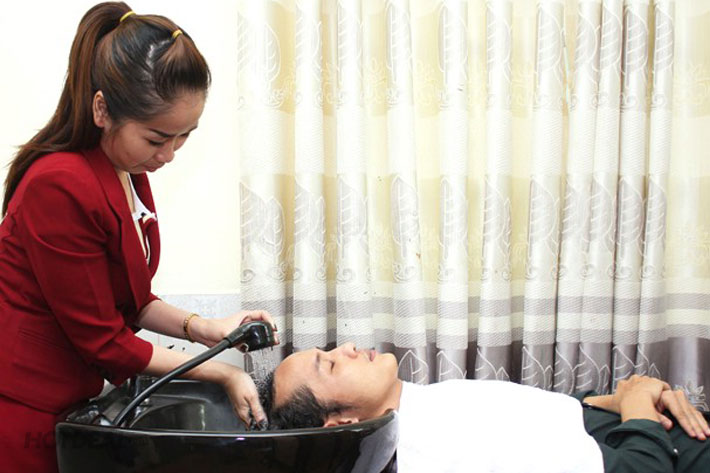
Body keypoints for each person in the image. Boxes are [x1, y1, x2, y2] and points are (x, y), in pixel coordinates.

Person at [0, 3, 276, 472]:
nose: (169, 154)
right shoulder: (59, 185)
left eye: (184, 136)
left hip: (68, 403)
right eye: (156, 138)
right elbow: (104, 341)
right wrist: (219, 373)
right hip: (23, 408)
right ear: (102, 109)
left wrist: (211, 329)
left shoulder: (127, 172)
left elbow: (132, 300)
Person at [261, 343, 710, 473]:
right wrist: (638, 407)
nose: (347, 347)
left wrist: (622, 398)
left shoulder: (423, 405)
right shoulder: (442, 450)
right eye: (330, 364)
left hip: (657, 427)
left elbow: (548, 418)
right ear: (343, 421)